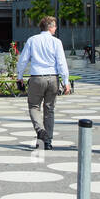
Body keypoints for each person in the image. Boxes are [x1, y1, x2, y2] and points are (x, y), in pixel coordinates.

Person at [16, 16, 70, 150]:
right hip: (53, 78)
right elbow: (61, 63)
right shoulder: (57, 42)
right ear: (50, 27)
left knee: (34, 107)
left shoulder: (32, 40)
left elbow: (23, 60)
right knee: (49, 109)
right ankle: (48, 141)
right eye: (55, 26)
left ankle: (41, 131)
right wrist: (66, 81)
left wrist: (20, 76)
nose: (56, 28)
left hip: (37, 77)